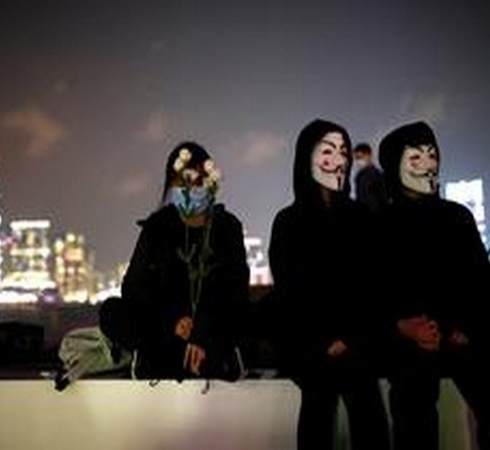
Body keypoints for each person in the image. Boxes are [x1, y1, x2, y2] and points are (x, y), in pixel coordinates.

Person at [269, 119, 389, 450]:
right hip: (311, 346)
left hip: (358, 343)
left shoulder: (360, 217)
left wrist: (349, 337)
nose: (339, 160)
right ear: (305, 158)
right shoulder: (287, 222)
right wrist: (323, 340)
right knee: (317, 415)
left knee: (371, 421)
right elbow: (290, 290)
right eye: (327, 151)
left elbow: (371, 285)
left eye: (343, 152)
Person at [378, 121, 489, 450]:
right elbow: (376, 292)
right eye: (416, 158)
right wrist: (405, 327)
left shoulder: (458, 216)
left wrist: (464, 326)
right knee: (412, 400)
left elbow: (479, 280)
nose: (428, 164)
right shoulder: (381, 224)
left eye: (432, 154)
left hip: (460, 332)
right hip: (408, 338)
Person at [99, 142, 249, 380]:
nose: (191, 189)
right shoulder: (157, 226)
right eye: (183, 182)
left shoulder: (227, 226)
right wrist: (174, 320)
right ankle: (204, 361)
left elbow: (236, 288)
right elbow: (132, 287)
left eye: (198, 181)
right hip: (168, 328)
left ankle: (167, 361)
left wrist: (201, 329)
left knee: (250, 314)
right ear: (171, 184)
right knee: (111, 311)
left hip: (213, 326)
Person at [352, 142, 388, 212]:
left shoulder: (378, 175)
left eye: (360, 157)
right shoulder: (359, 177)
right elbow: (359, 198)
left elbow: (384, 198)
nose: (358, 161)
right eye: (356, 158)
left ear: (368, 155)